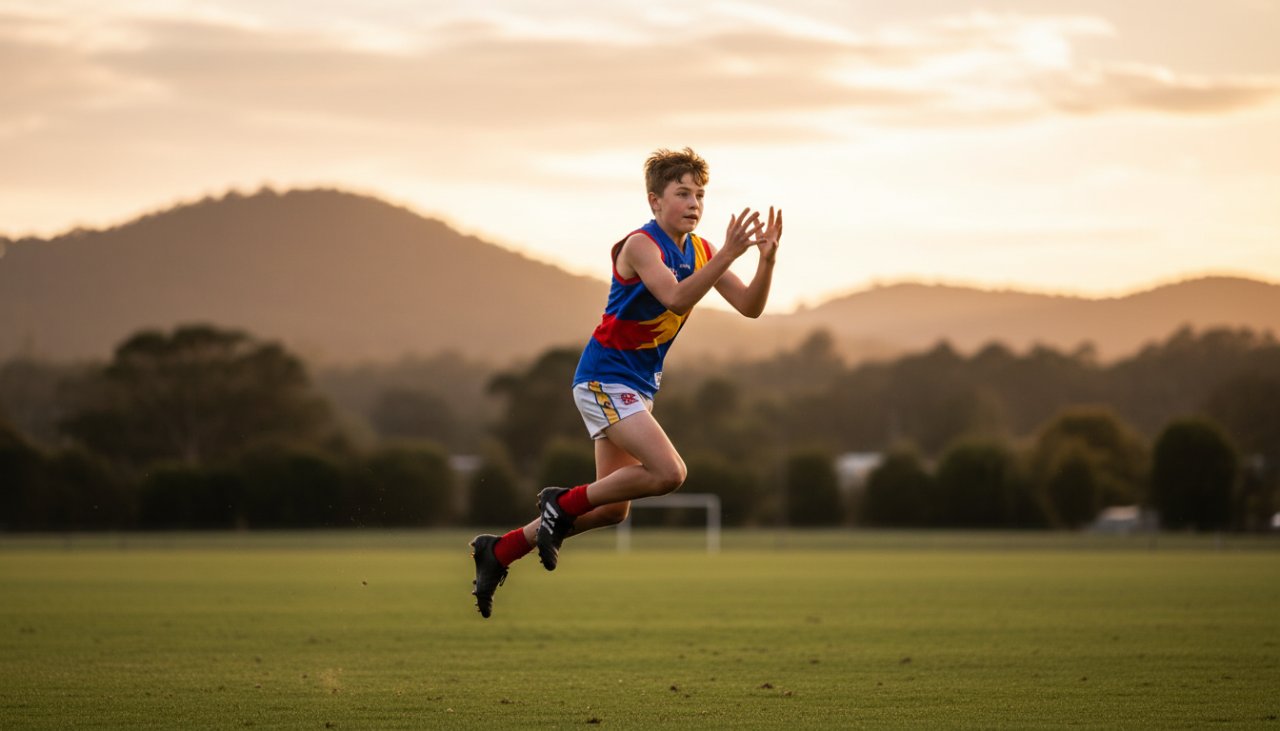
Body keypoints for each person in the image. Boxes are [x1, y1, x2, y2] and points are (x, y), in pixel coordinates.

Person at [470, 147, 782, 618]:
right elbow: (676, 298)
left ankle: (500, 550)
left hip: (635, 388)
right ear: (655, 201)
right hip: (604, 379)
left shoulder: (701, 251)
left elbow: (751, 307)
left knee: (614, 509)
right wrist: (731, 254)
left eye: (700, 194)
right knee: (669, 473)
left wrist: (766, 261)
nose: (694, 203)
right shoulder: (641, 244)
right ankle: (560, 501)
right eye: (682, 193)